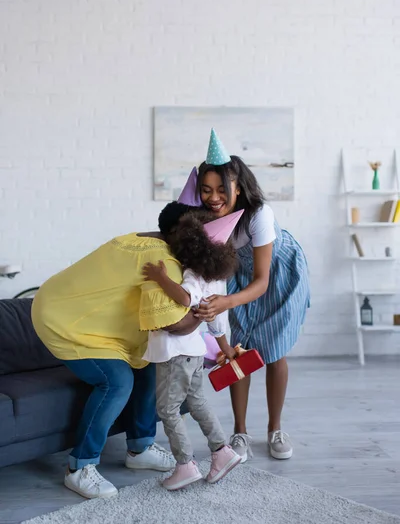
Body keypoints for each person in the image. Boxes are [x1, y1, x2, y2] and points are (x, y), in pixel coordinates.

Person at [31, 200, 204, 500]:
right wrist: (204, 312)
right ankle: (79, 467)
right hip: (65, 320)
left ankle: (140, 446)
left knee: (147, 365)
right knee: (117, 381)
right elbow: (174, 324)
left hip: (80, 315)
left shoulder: (141, 238)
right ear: (178, 232)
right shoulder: (165, 263)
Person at [194, 128, 310, 464]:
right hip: (240, 275)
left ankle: (275, 428)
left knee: (274, 350)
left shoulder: (260, 216)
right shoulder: (207, 220)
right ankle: (240, 431)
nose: (213, 197)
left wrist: (227, 302)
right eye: (206, 190)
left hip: (280, 274)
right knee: (239, 349)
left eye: (221, 189)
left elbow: (261, 281)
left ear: (238, 187)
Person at [142, 206, 243, 490]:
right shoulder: (208, 274)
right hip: (191, 352)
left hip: (176, 353)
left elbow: (186, 299)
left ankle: (185, 464)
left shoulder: (191, 273)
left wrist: (160, 278)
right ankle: (222, 451)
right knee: (197, 402)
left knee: (168, 409)